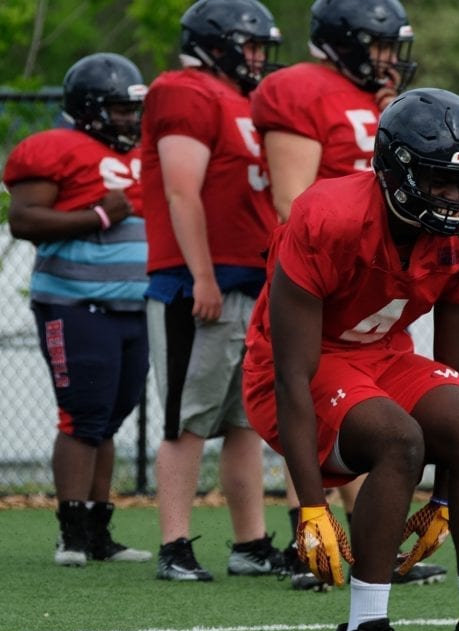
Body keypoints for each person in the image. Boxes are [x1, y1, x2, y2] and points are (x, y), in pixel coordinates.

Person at [243, 88, 459, 631]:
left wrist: (448, 494)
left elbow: (456, 373)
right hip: (292, 364)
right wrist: (311, 506)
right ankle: (362, 629)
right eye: (438, 182)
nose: (455, 197)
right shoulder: (327, 214)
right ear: (396, 170)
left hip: (380, 354)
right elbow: (290, 369)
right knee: (397, 439)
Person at [250, 0, 445, 591]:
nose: (390, 60)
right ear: (344, 42)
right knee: (309, 389)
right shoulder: (301, 89)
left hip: (375, 273)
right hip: (322, 272)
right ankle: (306, 531)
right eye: (381, 46)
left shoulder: (375, 99)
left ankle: (370, 543)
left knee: (373, 416)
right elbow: (296, 204)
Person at [141, 0, 285, 582]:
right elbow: (181, 191)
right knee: (187, 419)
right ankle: (174, 544)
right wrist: (200, 273)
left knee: (247, 421)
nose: (257, 59)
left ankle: (250, 543)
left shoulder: (245, 100)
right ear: (216, 43)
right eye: (249, 46)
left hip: (252, 282)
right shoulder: (185, 91)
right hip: (197, 286)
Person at [3, 53, 153, 567]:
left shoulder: (143, 152)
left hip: (134, 306)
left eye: (133, 109)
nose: (130, 119)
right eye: (118, 109)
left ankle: (97, 531)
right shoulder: (55, 148)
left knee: (109, 418)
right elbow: (23, 220)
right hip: (75, 302)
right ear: (89, 109)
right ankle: (70, 534)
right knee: (83, 414)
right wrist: (93, 215)